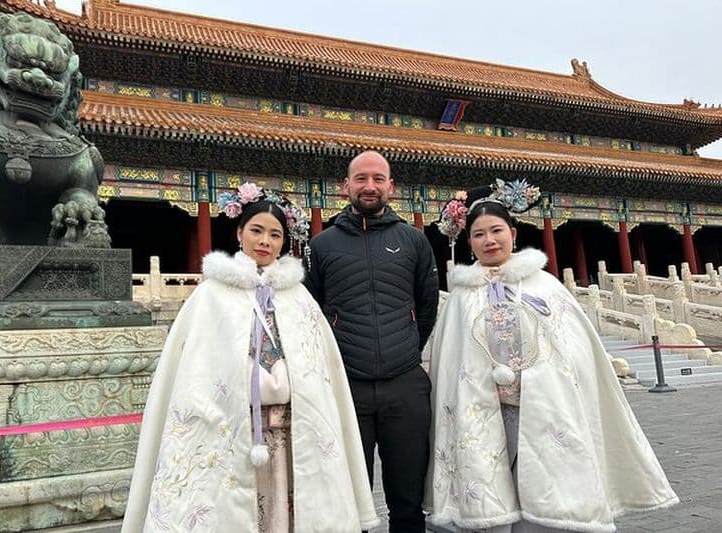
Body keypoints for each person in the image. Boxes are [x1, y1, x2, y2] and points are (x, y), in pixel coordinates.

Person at [122, 183, 379, 532]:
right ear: (239, 232)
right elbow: (195, 369)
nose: (265, 241)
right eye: (257, 230)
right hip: (231, 428)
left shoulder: (298, 297)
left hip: (292, 433)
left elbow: (320, 367)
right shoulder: (211, 295)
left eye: (275, 235)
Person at [426, 180, 678, 532]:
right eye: (479, 234)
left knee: (546, 481)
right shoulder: (462, 297)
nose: (489, 240)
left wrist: (539, 375)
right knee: (491, 478)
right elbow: (451, 360)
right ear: (468, 242)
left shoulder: (543, 286)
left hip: (541, 401)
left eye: (497, 230)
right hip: (484, 405)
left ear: (513, 233)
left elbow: (573, 346)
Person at [305, 150, 440, 532]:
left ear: (391, 187)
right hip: (347, 388)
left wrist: (408, 347)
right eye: (361, 178)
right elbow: (310, 312)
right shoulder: (322, 246)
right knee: (352, 498)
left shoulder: (414, 241)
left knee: (408, 500)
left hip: (405, 385)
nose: (369, 186)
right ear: (345, 186)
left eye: (378, 179)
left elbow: (427, 304)